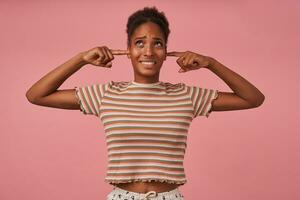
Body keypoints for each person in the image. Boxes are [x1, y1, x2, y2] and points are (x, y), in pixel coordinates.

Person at [26, 6, 265, 200]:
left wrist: (211, 63)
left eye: (157, 43)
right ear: (128, 50)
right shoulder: (107, 93)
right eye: (139, 43)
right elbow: (37, 95)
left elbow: (253, 98)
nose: (148, 51)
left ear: (166, 51)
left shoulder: (185, 95)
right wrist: (80, 59)